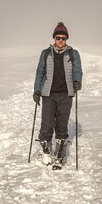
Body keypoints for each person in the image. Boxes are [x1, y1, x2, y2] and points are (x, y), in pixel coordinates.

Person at [33, 22, 83, 169]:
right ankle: (46, 151)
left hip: (66, 95)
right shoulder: (46, 53)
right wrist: (36, 90)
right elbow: (40, 72)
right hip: (48, 94)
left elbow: (78, 71)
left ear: (66, 39)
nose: (60, 40)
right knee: (47, 124)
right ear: (54, 39)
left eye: (63, 38)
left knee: (62, 124)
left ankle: (60, 154)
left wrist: (77, 82)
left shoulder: (73, 54)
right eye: (58, 38)